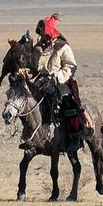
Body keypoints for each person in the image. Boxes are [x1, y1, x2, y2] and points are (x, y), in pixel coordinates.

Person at [31, 14, 83, 142]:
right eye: (40, 31)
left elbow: (71, 66)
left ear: (49, 33)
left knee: (70, 111)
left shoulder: (63, 47)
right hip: (41, 82)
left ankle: (73, 140)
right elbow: (33, 68)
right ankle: (30, 136)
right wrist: (26, 73)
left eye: (43, 32)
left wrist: (56, 77)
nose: (41, 34)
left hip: (60, 84)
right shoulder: (38, 48)